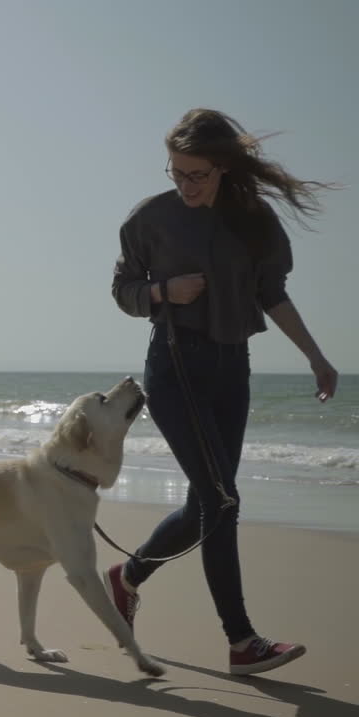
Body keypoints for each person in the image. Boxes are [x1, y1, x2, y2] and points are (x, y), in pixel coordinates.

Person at [107, 108, 339, 676]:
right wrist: (164, 290)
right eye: (177, 173)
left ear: (224, 169)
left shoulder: (254, 220)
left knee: (208, 501)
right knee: (221, 502)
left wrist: (315, 354)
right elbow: (123, 289)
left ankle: (126, 576)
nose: (186, 185)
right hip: (175, 364)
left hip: (233, 368)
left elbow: (272, 294)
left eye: (198, 175)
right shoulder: (150, 219)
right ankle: (242, 641)